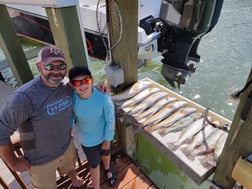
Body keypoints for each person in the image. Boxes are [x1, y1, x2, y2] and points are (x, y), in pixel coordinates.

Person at [0, 45, 108, 189]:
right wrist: (13, 162)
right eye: (50, 66)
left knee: (71, 166)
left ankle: (75, 180)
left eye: (61, 66)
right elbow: (1, 131)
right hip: (40, 161)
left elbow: (83, 90)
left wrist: (97, 89)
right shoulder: (24, 98)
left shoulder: (67, 85)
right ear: (39, 66)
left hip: (66, 145)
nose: (56, 71)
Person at [69, 66, 117, 189]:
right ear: (72, 86)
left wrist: (107, 140)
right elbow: (70, 116)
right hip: (87, 140)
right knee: (93, 164)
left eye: (86, 81)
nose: (82, 85)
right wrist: (70, 129)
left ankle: (107, 168)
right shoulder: (73, 99)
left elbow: (110, 120)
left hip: (105, 136)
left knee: (106, 154)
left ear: (92, 81)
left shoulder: (104, 97)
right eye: (77, 83)